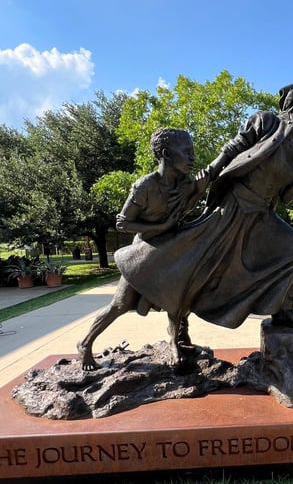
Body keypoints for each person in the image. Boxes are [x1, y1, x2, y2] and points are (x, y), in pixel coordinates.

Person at [116, 84, 293, 332]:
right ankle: (177, 320)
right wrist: (206, 178)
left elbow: (288, 197)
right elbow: (233, 148)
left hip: (262, 214)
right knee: (201, 267)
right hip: (234, 206)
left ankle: (284, 312)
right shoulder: (266, 122)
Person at [77, 128, 209, 370]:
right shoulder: (145, 186)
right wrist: (162, 225)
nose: (192, 158)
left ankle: (176, 341)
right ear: (167, 154)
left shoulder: (185, 183)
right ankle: (85, 344)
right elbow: (122, 223)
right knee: (120, 305)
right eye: (186, 152)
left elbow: (196, 193)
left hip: (172, 249)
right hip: (144, 254)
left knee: (179, 298)